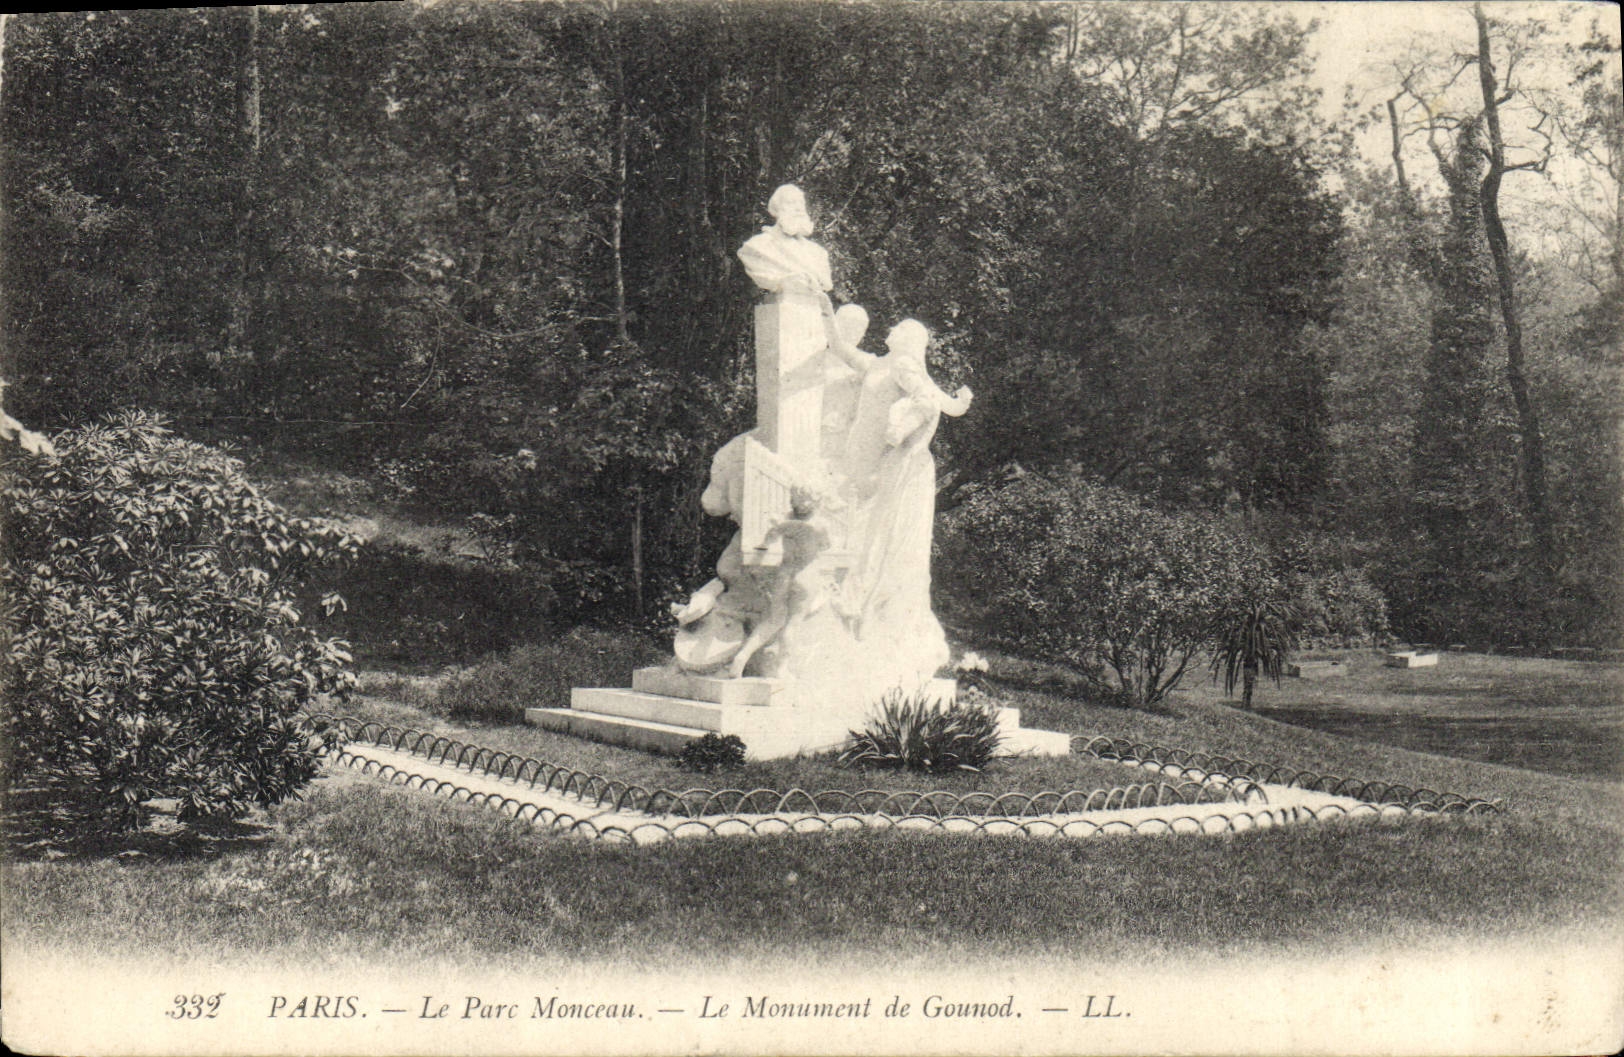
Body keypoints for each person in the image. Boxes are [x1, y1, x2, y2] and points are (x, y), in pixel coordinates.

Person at [816, 299, 970, 685]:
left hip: (880, 461)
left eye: (900, 328)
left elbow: (927, 402)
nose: (891, 329)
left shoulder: (902, 365)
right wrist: (823, 311)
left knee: (872, 534)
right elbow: (840, 348)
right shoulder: (880, 363)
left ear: (908, 340)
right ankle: (841, 610)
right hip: (859, 456)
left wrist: (900, 431)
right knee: (851, 526)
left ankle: (859, 611)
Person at [737, 185, 833, 298]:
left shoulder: (818, 253)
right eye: (791, 203)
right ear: (776, 209)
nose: (798, 208)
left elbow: (826, 283)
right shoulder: (757, 246)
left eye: (801, 203)